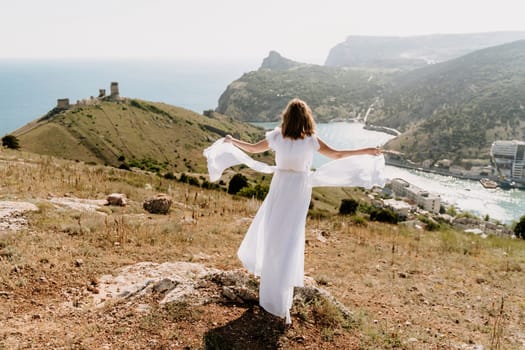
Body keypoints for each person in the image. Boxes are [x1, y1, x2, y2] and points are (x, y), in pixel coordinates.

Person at [205, 98, 383, 324]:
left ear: (286, 117)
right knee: (290, 238)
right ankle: (281, 293)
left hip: (280, 186)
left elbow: (251, 149)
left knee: (272, 235)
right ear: (307, 117)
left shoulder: (276, 136)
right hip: (299, 190)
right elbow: (338, 155)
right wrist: (366, 151)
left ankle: (271, 292)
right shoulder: (311, 140)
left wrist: (232, 141)